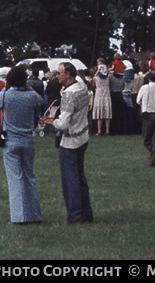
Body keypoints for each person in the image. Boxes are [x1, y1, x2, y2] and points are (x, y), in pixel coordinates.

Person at [0, 65, 42, 224]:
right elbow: (40, 101)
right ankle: (34, 215)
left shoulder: (6, 94)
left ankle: (19, 217)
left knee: (15, 180)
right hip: (28, 140)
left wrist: (5, 89)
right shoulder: (31, 95)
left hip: (11, 140)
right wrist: (28, 87)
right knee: (29, 177)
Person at [52, 62, 93, 224]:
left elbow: (62, 124)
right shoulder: (82, 87)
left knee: (70, 180)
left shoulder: (69, 95)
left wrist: (52, 121)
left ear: (68, 74)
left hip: (70, 141)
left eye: (59, 73)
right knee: (80, 177)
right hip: (83, 136)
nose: (57, 76)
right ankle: (86, 213)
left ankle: (75, 216)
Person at [137, 69, 155, 166]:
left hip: (148, 114)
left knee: (146, 139)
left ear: (148, 78)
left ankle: (154, 159)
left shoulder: (144, 88)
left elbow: (138, 101)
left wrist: (144, 105)